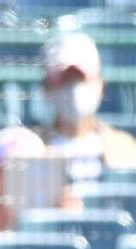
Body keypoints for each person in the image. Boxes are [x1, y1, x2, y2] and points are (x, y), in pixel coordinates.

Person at [38, 32, 136, 185]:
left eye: (81, 78)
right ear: (46, 89)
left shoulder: (126, 149)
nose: (73, 88)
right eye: (65, 79)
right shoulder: (31, 150)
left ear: (101, 86)